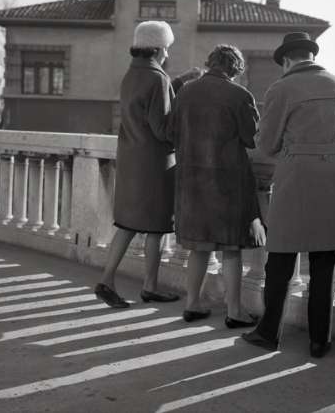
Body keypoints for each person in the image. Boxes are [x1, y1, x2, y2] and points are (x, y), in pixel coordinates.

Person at [242, 32, 335, 357]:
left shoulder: (281, 88)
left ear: (286, 60)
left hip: (299, 175)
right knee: (324, 262)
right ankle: (320, 340)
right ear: (311, 55)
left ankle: (268, 332)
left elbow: (267, 145)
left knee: (281, 257)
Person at [95, 20, 199, 308]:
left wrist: (179, 81)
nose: (168, 53)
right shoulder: (158, 79)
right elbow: (162, 128)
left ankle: (110, 280)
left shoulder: (132, 75)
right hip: (154, 165)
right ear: (158, 49)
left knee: (128, 224)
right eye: (167, 48)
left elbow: (149, 105)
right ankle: (145, 285)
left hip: (131, 161)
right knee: (157, 227)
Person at [167, 44, 267, 327]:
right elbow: (251, 138)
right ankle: (234, 311)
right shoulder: (239, 95)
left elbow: (171, 132)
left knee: (199, 246)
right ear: (235, 68)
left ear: (210, 63)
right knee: (231, 247)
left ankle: (192, 304)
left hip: (191, 181)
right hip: (227, 182)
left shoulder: (185, 93)